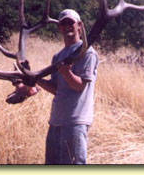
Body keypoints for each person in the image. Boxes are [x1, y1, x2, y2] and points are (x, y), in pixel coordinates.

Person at [18, 9, 99, 164]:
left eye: (71, 23)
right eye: (63, 24)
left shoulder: (87, 52)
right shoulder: (58, 56)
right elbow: (56, 89)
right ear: (60, 28)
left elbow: (80, 87)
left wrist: (67, 73)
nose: (67, 26)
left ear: (79, 26)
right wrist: (34, 77)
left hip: (75, 121)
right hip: (56, 121)